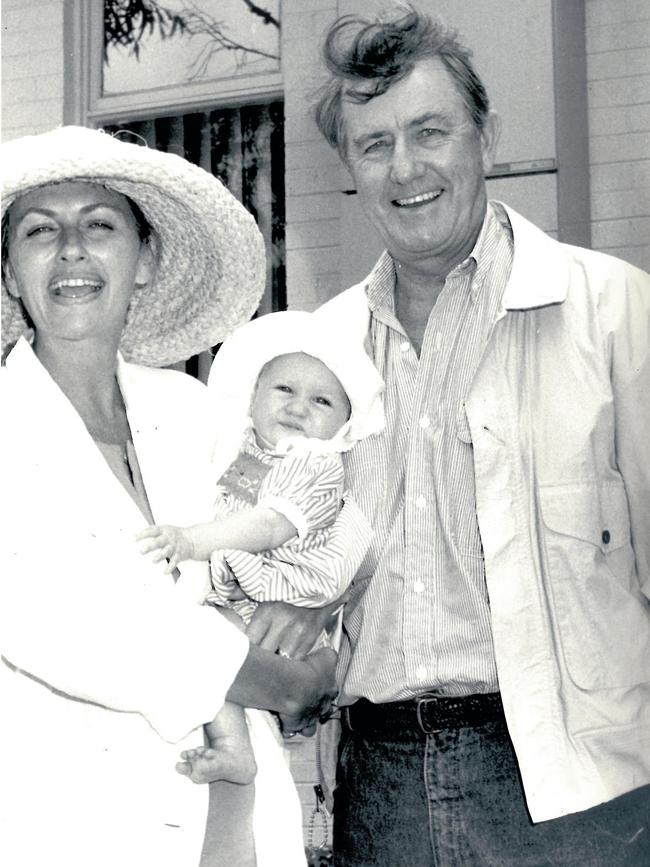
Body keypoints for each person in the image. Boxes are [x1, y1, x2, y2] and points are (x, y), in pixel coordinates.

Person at [247, 7, 650, 867]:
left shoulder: (615, 314)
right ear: (351, 167)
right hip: (378, 788)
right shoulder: (318, 354)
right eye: (374, 144)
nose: (406, 167)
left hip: (575, 797)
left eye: (430, 131)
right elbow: (287, 580)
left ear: (486, 138)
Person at [0, 125, 353, 867]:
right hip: (71, 825)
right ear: (8, 271)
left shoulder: (194, 410)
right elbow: (75, 627)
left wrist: (320, 616)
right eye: (39, 230)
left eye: (100, 225)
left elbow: (308, 523)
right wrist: (285, 679)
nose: (71, 251)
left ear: (146, 257)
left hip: (241, 828)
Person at [137, 309, 384, 787]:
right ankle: (241, 746)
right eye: (284, 389)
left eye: (322, 401)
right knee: (212, 644)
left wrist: (191, 540)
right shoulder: (241, 448)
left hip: (281, 598)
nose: (297, 407)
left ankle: (235, 749)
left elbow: (271, 526)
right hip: (241, 592)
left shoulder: (314, 464)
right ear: (252, 398)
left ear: (342, 427)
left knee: (212, 642)